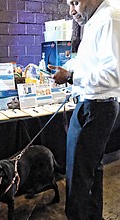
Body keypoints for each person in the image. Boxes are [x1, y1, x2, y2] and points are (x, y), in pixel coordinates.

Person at [48, 0, 120, 219]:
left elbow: (113, 74)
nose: (71, 11)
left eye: (75, 2)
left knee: (78, 176)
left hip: (97, 107)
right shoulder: (95, 20)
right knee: (88, 171)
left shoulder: (109, 18)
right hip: (90, 105)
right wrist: (68, 69)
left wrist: (71, 77)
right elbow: (88, 62)